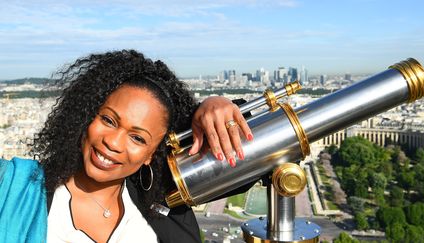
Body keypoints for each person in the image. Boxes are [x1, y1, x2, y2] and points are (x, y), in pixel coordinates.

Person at [0, 50, 253, 242]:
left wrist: (215, 106)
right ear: (86, 116)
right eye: (108, 120)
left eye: (138, 138)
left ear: (150, 154)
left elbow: (253, 158)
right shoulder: (13, 187)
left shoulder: (162, 198)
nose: (113, 142)